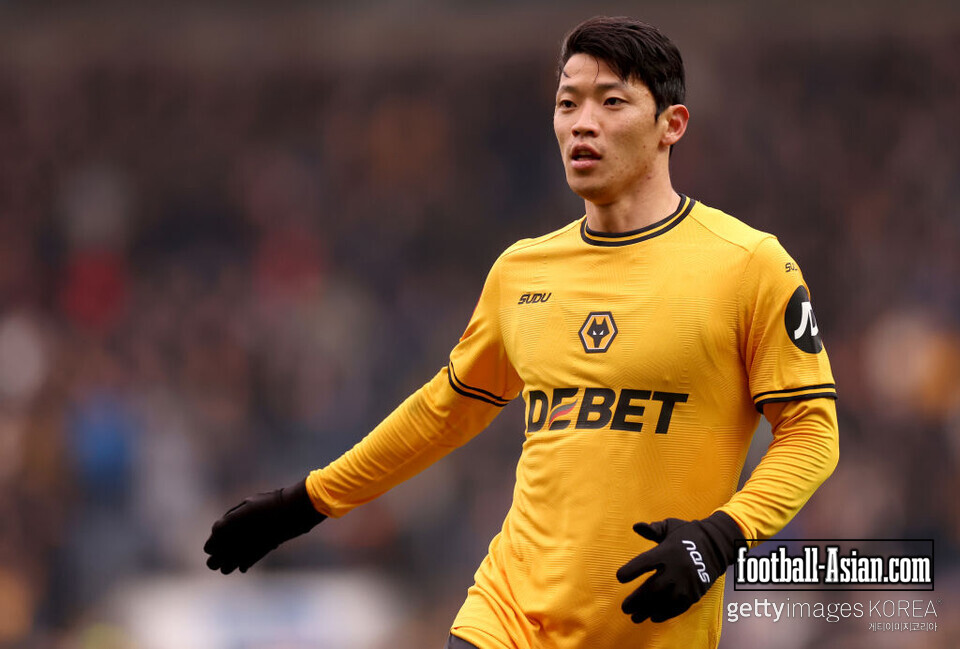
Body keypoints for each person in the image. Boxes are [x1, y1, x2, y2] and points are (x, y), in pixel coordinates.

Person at [204, 16, 839, 649]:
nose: (581, 122)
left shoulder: (750, 266)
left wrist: (720, 536)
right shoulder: (522, 271)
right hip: (505, 619)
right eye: (568, 103)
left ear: (671, 125)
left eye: (611, 101)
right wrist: (307, 502)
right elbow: (444, 411)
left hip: (646, 632)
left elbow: (813, 433)